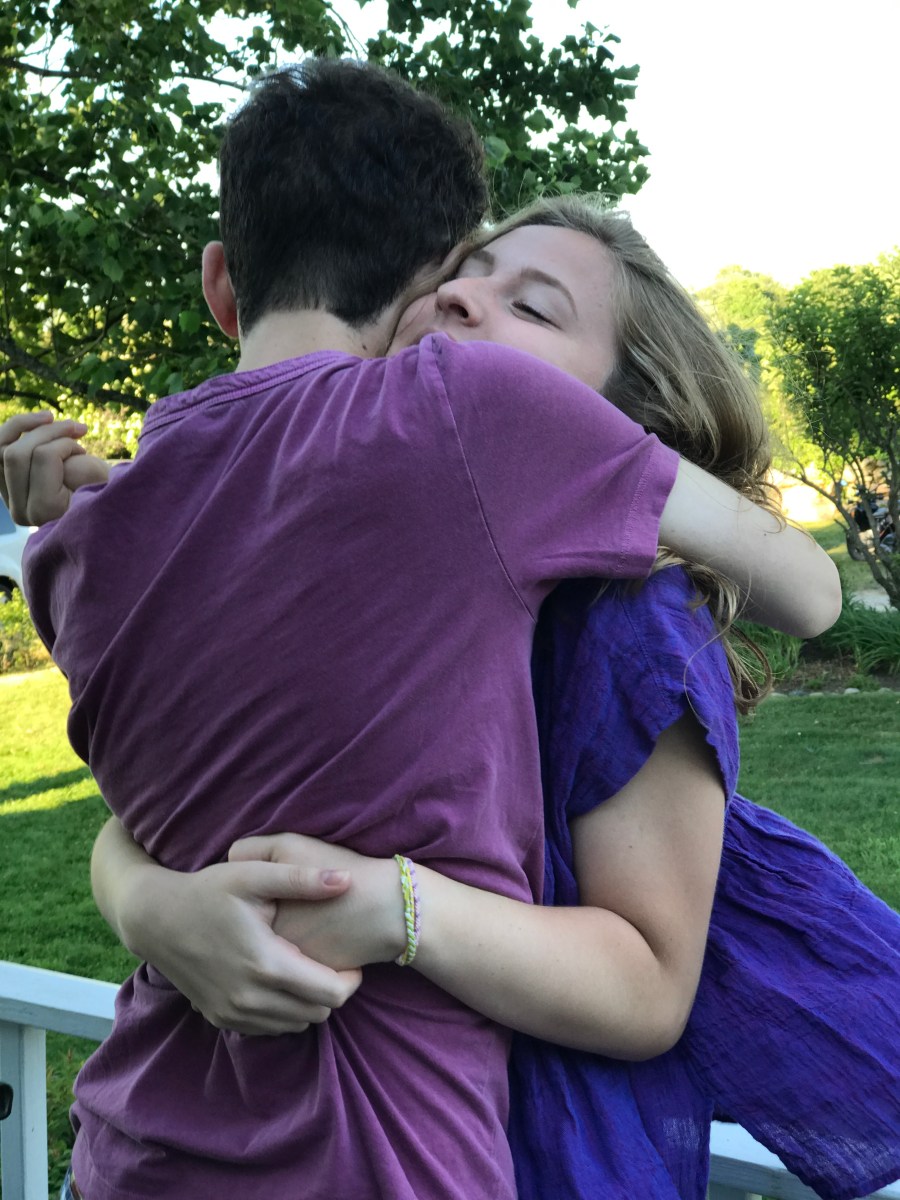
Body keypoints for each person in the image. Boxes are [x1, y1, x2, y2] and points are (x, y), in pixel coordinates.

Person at [2, 64, 844, 1200]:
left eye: (529, 307)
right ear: (414, 290)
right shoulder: (445, 431)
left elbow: (649, 982)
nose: (462, 312)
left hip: (145, 1148)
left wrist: (385, 906)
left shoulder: (76, 548)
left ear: (220, 284)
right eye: (461, 278)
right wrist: (147, 901)